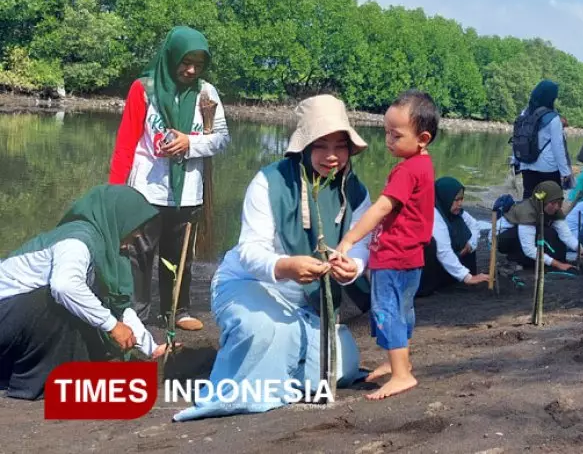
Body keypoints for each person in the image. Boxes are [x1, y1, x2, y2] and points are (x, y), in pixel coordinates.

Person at [173, 95, 373, 422]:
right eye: (321, 145)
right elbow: (251, 251)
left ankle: (262, 359)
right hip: (251, 284)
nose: (332, 156)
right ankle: (244, 369)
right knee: (263, 330)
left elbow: (361, 245)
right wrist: (285, 266)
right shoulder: (269, 181)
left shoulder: (355, 191)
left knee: (341, 368)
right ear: (304, 146)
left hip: (306, 301)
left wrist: (353, 268)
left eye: (341, 145)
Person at [109, 26, 230, 332]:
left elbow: (221, 140)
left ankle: (177, 310)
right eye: (185, 62)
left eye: (198, 65)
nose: (190, 70)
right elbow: (126, 144)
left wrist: (191, 143)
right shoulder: (143, 89)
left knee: (179, 256)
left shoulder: (207, 93)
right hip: (145, 189)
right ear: (171, 55)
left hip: (188, 191)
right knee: (137, 256)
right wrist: (115, 193)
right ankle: (135, 313)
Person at [0, 185, 168, 400]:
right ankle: (36, 382)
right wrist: (111, 325)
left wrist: (152, 349)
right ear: (116, 218)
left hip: (16, 325)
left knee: (87, 305)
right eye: (135, 226)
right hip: (7, 315)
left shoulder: (107, 249)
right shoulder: (77, 240)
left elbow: (118, 306)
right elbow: (64, 286)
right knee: (57, 300)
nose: (137, 235)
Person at [334, 90, 439, 401]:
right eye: (385, 133)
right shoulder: (422, 164)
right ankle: (397, 362)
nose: (388, 141)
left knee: (385, 310)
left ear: (422, 138)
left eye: (396, 135)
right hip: (412, 257)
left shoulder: (407, 171)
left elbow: (381, 208)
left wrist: (351, 238)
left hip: (394, 256)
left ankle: (403, 374)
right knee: (402, 310)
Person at [417, 177, 490, 297]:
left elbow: (475, 225)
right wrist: (467, 277)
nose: (460, 203)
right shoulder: (433, 214)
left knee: (466, 232)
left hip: (453, 257)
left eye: (461, 199)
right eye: (456, 200)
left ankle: (455, 276)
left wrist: (470, 245)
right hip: (430, 265)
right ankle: (432, 284)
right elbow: (443, 251)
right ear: (445, 199)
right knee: (432, 243)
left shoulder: (456, 211)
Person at [497, 181, 583, 271]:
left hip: (528, 233)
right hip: (503, 238)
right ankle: (515, 259)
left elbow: (566, 236)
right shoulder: (527, 212)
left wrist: (582, 250)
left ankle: (534, 261)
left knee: (553, 237)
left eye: (559, 203)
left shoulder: (554, 211)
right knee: (541, 239)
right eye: (553, 203)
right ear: (543, 201)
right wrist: (558, 264)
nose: (557, 207)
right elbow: (529, 249)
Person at [510, 80, 572, 199]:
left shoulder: (524, 113)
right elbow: (557, 147)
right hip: (548, 168)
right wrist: (565, 172)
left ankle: (527, 216)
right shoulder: (553, 118)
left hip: (526, 164)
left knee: (529, 198)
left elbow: (518, 136)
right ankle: (544, 217)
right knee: (550, 200)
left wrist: (515, 160)